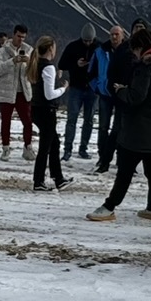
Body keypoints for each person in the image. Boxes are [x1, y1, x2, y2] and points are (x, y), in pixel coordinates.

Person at [88, 25, 151, 221]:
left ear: (141, 47)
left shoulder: (145, 67)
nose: (134, 54)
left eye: (135, 49)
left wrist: (121, 90)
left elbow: (136, 97)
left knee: (125, 168)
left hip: (140, 127)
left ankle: (109, 206)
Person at [30, 35, 73, 191]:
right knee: (45, 146)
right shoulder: (48, 67)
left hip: (36, 108)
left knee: (54, 143)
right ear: (50, 49)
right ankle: (38, 181)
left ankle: (58, 178)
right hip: (46, 111)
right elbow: (49, 95)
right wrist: (63, 89)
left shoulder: (35, 64)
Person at [0, 26, 37, 158]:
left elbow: (35, 71)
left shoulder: (29, 50)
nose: (20, 39)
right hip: (6, 91)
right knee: (6, 121)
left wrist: (29, 62)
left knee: (28, 121)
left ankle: (28, 147)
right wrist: (12, 61)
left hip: (23, 92)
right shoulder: (2, 51)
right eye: (18, 36)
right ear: (13, 35)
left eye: (23, 37)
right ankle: (5, 148)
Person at [94, 23, 131, 173]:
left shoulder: (128, 52)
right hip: (105, 94)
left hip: (121, 95)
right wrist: (97, 87)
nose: (114, 37)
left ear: (122, 36)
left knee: (119, 129)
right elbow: (92, 71)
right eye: (112, 34)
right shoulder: (101, 51)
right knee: (103, 127)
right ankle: (102, 156)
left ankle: (118, 158)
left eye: (117, 34)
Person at [63, 24, 101, 159]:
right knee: (72, 119)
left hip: (92, 88)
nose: (88, 43)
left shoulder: (100, 47)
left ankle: (83, 148)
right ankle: (67, 149)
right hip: (76, 87)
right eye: (85, 41)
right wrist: (75, 64)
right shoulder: (73, 47)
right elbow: (62, 64)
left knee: (89, 120)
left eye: (90, 41)